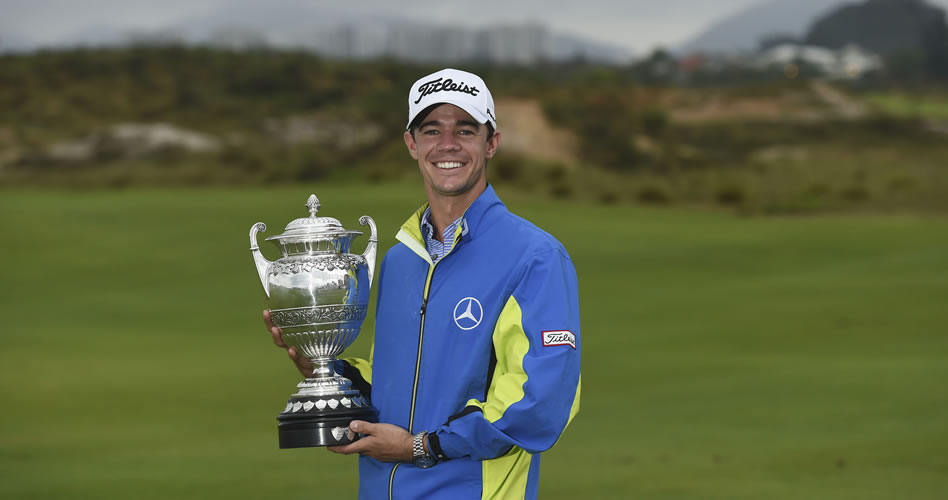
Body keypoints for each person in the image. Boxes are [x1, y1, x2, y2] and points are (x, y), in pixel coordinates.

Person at [265, 68, 581, 499]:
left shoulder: (534, 257)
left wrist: (420, 448)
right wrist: (327, 373)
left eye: (465, 130)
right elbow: (394, 386)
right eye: (431, 130)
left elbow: (540, 402)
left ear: (492, 143)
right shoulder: (400, 261)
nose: (447, 144)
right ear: (412, 144)